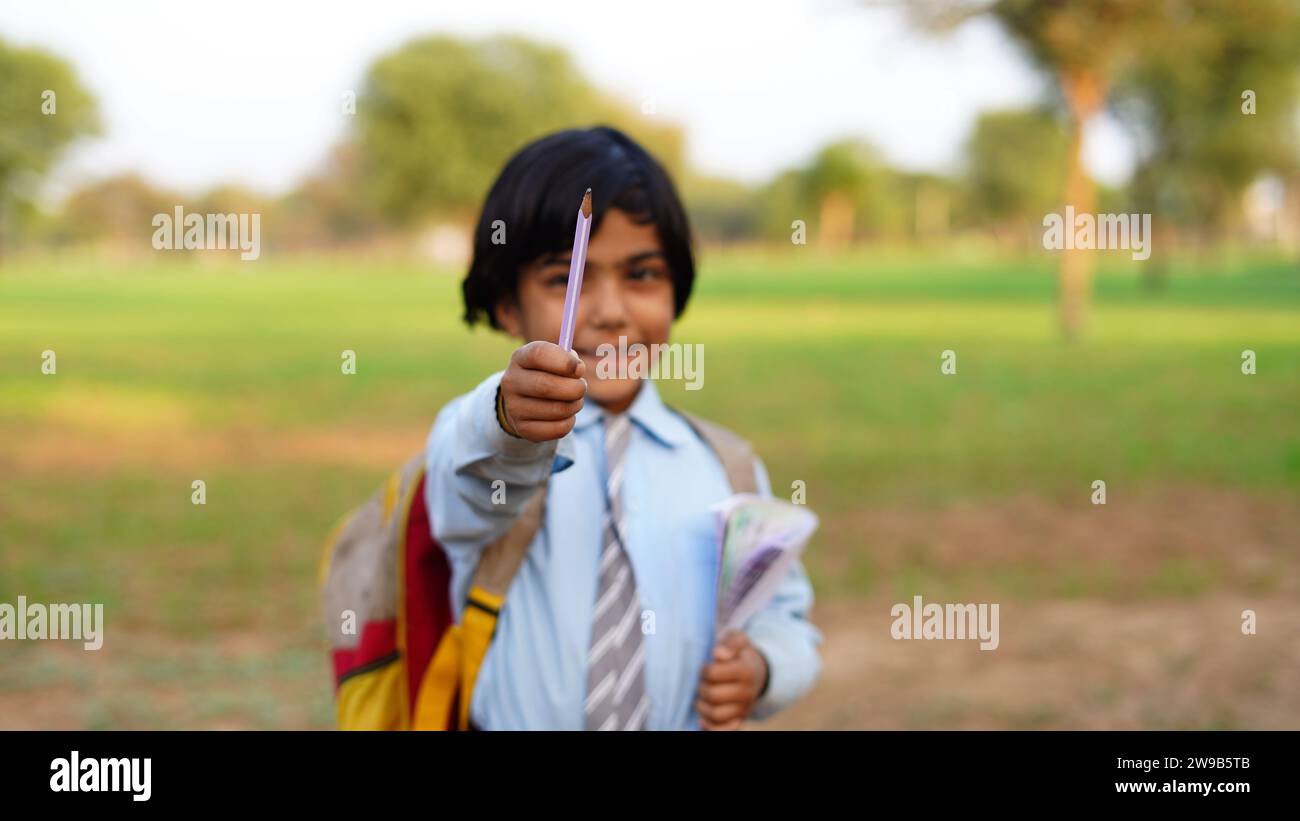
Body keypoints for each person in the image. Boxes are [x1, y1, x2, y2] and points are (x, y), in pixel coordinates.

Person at [425, 125, 821, 730]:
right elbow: (474, 478)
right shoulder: (485, 437)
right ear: (507, 304)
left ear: (676, 290)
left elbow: (781, 614)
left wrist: (765, 666)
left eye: (642, 275)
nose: (611, 310)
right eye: (567, 279)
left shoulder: (727, 465)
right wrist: (509, 419)